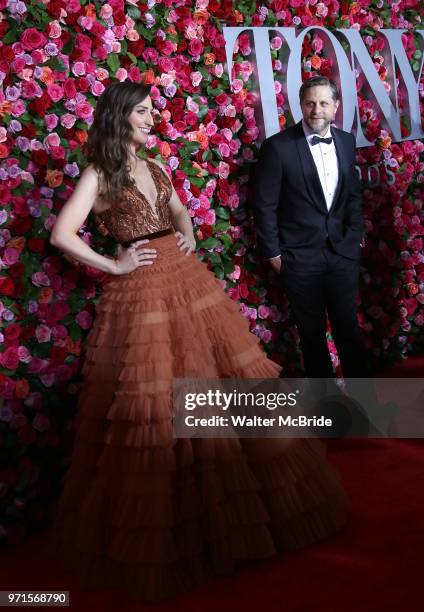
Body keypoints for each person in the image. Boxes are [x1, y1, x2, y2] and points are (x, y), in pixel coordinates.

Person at [48, 80, 347, 602]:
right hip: (142, 294)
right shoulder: (99, 173)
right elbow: (62, 234)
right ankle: (183, 538)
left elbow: (179, 209)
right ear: (120, 116)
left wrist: (184, 228)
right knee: (161, 404)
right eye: (142, 111)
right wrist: (114, 262)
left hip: (186, 280)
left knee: (217, 386)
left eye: (151, 111)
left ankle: (241, 519)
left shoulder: (158, 165)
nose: (150, 118)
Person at [254, 75, 370, 386]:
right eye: (309, 103)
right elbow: (265, 206)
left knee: (348, 328)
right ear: (301, 106)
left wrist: (353, 238)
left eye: (323, 103)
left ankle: (369, 405)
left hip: (341, 254)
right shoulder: (278, 147)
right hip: (299, 258)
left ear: (335, 107)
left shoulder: (345, 141)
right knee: (312, 335)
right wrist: (275, 255)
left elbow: (352, 197)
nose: (316, 110)